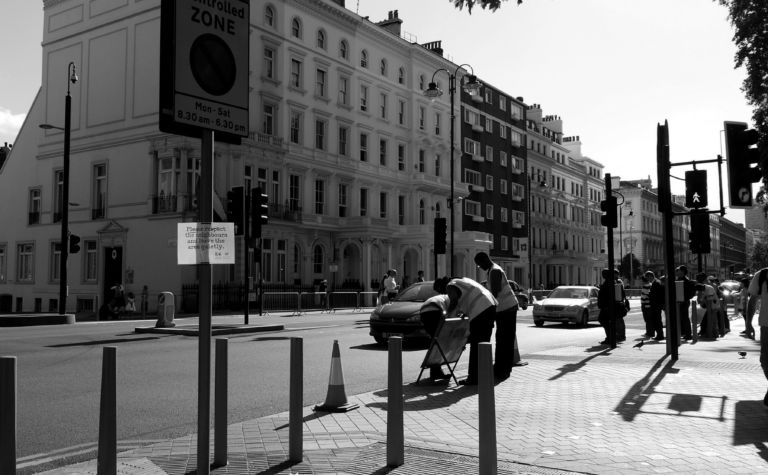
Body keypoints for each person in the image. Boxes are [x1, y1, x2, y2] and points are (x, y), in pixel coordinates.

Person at [434, 276, 497, 386]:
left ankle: (473, 378)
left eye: (439, 290)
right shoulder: (462, 281)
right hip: (490, 305)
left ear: (442, 286)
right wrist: (464, 312)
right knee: (484, 344)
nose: (443, 293)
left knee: (476, 345)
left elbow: (453, 301)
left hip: (480, 310)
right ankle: (484, 375)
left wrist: (447, 315)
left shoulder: (451, 285)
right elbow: (467, 298)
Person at [474, 251, 520, 380]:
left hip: (506, 308)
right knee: (504, 338)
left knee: (504, 339)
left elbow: (494, 294)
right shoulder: (492, 270)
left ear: (484, 260)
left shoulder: (494, 271)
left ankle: (502, 369)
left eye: (479, 265)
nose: (480, 268)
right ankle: (503, 368)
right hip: (506, 308)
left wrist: (489, 313)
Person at [745, 267, 768, 407]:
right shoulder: (762, 275)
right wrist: (748, 323)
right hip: (766, 325)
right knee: (765, 361)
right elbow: (752, 300)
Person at [419, 292, 451, 380]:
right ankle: (436, 371)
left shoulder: (443, 297)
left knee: (435, 341)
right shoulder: (451, 298)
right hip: (435, 310)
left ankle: (435, 371)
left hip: (424, 311)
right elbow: (451, 314)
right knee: (438, 341)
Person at [597, 269, 627, 344]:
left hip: (608, 307)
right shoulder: (609, 282)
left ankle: (611, 337)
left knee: (603, 320)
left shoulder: (610, 282)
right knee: (605, 321)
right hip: (607, 306)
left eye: (604, 274)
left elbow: (608, 295)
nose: (603, 275)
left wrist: (606, 305)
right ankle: (610, 337)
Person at [675, 265, 697, 340]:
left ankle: (688, 334)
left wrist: (684, 298)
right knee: (680, 318)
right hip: (679, 301)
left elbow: (691, 293)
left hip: (683, 302)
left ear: (683, 272)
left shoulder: (686, 281)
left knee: (684, 318)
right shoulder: (678, 280)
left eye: (678, 270)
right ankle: (683, 333)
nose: (676, 272)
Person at [645, 271, 665, 340]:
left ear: (651, 276)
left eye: (648, 277)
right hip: (657, 304)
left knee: (657, 320)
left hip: (656, 305)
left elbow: (657, 294)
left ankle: (660, 335)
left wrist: (650, 294)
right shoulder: (656, 282)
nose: (648, 279)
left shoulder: (656, 283)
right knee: (657, 320)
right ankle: (659, 335)